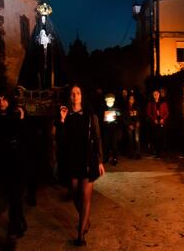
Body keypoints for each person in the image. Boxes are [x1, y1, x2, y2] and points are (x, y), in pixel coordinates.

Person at [56, 84, 105, 246]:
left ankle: (80, 234)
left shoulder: (90, 115)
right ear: (69, 97)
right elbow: (61, 140)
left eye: (78, 93)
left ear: (82, 96)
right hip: (72, 160)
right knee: (75, 195)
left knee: (85, 197)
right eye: (72, 93)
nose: (75, 96)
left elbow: (97, 138)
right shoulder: (66, 114)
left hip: (88, 159)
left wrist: (99, 160)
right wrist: (62, 120)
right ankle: (86, 220)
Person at [0, 91, 27, 239]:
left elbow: (23, 136)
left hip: (17, 162)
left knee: (15, 195)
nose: (1, 102)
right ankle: (20, 222)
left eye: (4, 99)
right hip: (4, 163)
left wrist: (21, 120)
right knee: (12, 196)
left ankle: (14, 228)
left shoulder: (15, 115)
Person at [146, 89, 169, 158]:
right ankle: (156, 152)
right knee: (155, 137)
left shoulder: (163, 102)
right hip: (154, 122)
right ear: (153, 95)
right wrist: (154, 119)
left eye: (157, 94)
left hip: (161, 122)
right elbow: (148, 112)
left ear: (159, 94)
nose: (155, 96)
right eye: (154, 94)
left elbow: (167, 112)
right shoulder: (151, 103)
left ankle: (160, 151)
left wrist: (163, 119)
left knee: (161, 137)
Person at [102, 93, 122, 165]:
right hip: (106, 128)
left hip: (114, 129)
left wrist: (117, 118)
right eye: (108, 99)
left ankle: (114, 158)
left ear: (113, 100)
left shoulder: (116, 108)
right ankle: (106, 157)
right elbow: (100, 117)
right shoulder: (103, 108)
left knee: (114, 144)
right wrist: (104, 120)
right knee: (106, 143)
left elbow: (120, 117)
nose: (110, 100)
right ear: (106, 100)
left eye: (111, 99)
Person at [123, 94, 141, 159]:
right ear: (128, 99)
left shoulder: (137, 107)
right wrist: (128, 125)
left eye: (132, 99)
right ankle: (131, 153)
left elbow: (139, 115)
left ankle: (138, 153)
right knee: (130, 140)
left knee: (137, 139)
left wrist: (138, 122)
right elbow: (124, 117)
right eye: (130, 98)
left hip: (136, 125)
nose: (131, 100)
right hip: (129, 125)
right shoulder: (126, 108)